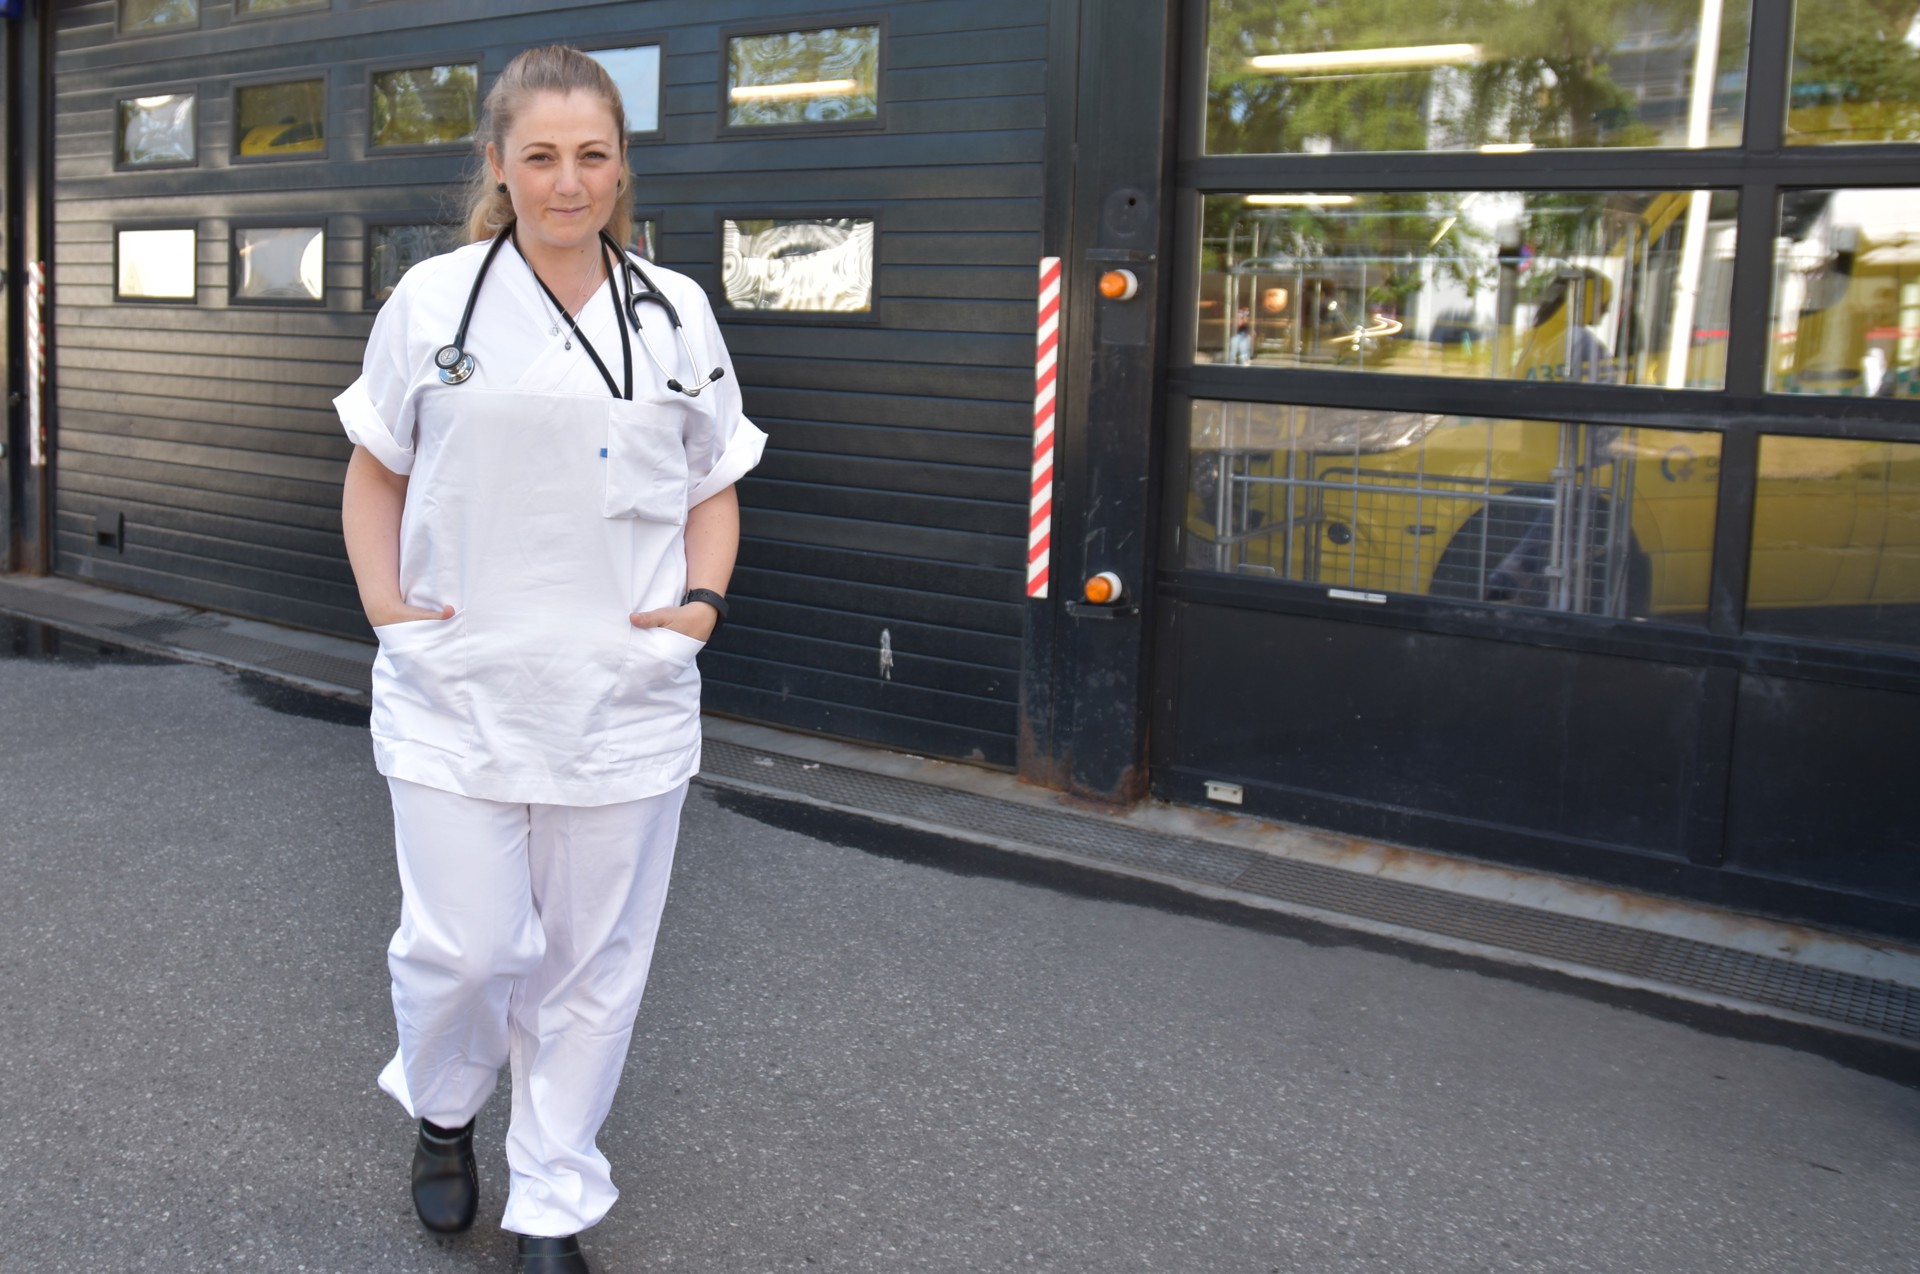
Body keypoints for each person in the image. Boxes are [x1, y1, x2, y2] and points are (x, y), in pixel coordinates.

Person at [335, 46, 765, 1274]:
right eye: (541, 156)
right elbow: (375, 471)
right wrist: (389, 609)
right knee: (462, 947)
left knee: (593, 965)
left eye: (591, 155)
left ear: (621, 164)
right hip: (458, 687)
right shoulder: (433, 302)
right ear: (499, 165)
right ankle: (444, 1098)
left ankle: (555, 1201)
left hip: (619, 697)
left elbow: (714, 484)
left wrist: (698, 607)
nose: (568, 181)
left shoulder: (674, 309)